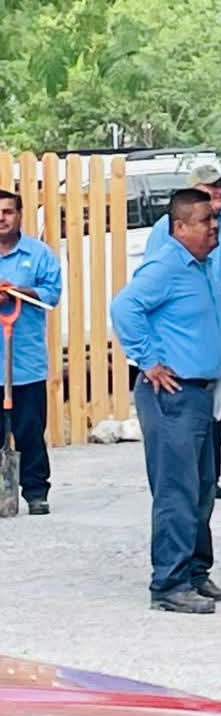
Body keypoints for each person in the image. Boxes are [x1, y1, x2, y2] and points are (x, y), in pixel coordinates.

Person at [110, 189, 221, 613]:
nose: (213, 226)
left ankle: (196, 574)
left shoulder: (202, 266)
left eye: (215, 219)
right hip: (172, 395)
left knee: (202, 488)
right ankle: (169, 582)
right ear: (179, 227)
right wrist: (149, 361)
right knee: (176, 490)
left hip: (201, 394)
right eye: (204, 220)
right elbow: (124, 308)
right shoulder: (166, 265)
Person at [145, 165, 221, 500]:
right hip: (181, 346)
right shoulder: (166, 233)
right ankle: (187, 486)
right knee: (184, 427)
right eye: (211, 188)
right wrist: (150, 358)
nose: (220, 193)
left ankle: (209, 481)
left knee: (216, 413)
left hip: (218, 338)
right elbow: (140, 299)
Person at [0, 190, 61, 516]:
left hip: (26, 363)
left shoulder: (40, 255)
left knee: (29, 431)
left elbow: (51, 295)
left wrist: (19, 292)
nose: (1, 218)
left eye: (8, 211)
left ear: (19, 215)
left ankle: (36, 491)